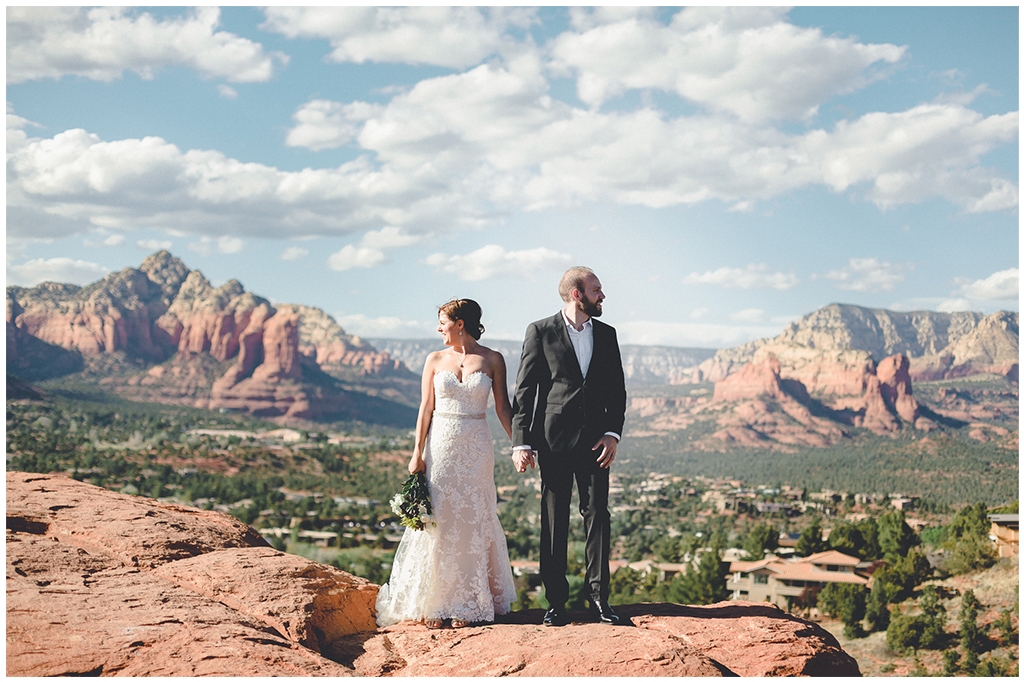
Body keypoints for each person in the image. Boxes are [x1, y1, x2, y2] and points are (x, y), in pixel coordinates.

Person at [375, 298, 517, 629]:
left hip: (477, 447)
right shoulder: (434, 359)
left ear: (460, 323)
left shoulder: (493, 359)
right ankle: (436, 603)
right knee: (440, 520)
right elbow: (425, 408)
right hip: (441, 446)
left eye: (443, 322)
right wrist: (416, 452)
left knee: (472, 517)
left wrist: (519, 445)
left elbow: (503, 407)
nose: (439, 328)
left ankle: (468, 603)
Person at [511, 266, 627, 627]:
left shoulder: (607, 334)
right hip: (554, 441)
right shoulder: (540, 331)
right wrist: (521, 441)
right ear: (577, 294)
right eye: (596, 290)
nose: (602, 296)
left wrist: (613, 433)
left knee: (598, 518)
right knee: (554, 520)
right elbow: (526, 390)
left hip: (596, 442)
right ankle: (556, 603)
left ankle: (599, 600)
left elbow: (617, 390)